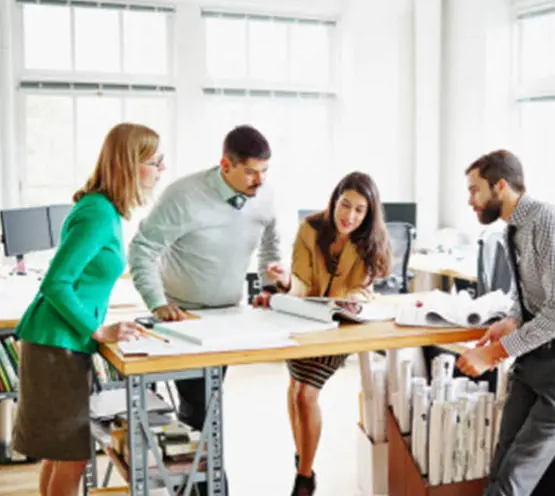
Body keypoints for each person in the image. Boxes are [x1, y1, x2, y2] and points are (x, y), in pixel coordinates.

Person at [128, 124, 282, 496]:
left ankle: (194, 480)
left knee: (204, 405)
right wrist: (158, 303)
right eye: (250, 171)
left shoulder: (264, 196)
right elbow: (142, 248)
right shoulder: (183, 195)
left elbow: (270, 246)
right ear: (225, 164)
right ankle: (212, 487)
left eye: (265, 171)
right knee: (201, 408)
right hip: (183, 319)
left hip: (229, 318)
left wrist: (270, 285)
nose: (259, 181)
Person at [12, 122, 164, 496]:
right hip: (56, 344)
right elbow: (56, 282)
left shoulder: (104, 210)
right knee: (74, 456)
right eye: (156, 162)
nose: (161, 170)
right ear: (130, 164)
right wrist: (98, 330)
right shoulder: (97, 213)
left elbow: (79, 283)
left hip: (60, 340)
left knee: (61, 454)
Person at [455, 149, 555, 496]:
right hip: (541, 355)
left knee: (513, 479)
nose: (470, 200)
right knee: (500, 467)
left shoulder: (547, 221)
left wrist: (494, 354)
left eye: (474, 190)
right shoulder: (513, 230)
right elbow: (526, 294)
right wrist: (512, 320)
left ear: (500, 186)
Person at [261, 171, 391, 496]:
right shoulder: (310, 230)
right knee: (294, 389)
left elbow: (363, 292)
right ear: (334, 200)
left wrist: (353, 301)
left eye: (359, 210)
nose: (349, 215)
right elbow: (303, 284)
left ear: (368, 213)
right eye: (345, 205)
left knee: (306, 394)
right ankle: (303, 455)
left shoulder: (371, 243)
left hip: (339, 327)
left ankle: (304, 477)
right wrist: (288, 280)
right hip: (305, 320)